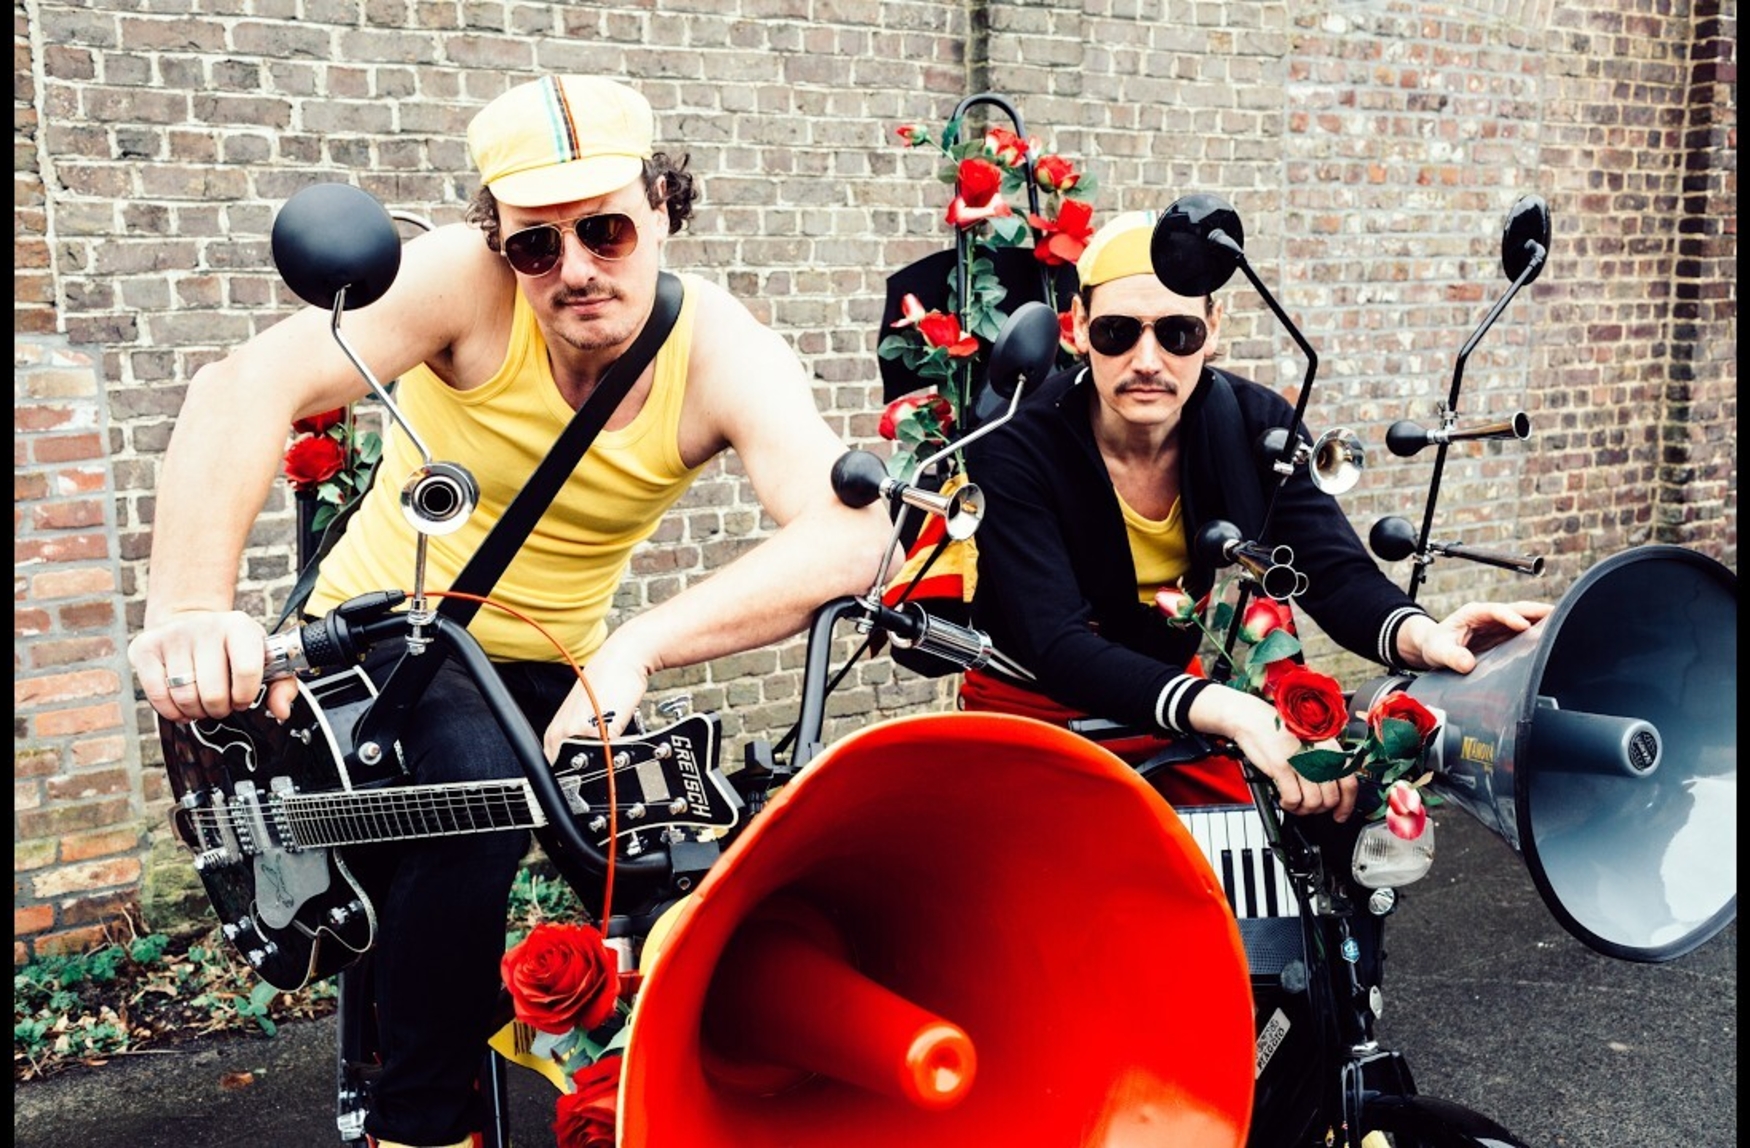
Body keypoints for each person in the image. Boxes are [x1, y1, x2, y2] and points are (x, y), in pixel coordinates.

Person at [126, 75, 890, 1148]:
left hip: (561, 660)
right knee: (478, 804)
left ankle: (673, 1091)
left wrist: (638, 647)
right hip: (390, 643)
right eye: (536, 244)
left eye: (607, 229)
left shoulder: (719, 348)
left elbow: (853, 533)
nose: (574, 269)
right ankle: (420, 1122)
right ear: (499, 243)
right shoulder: (461, 282)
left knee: (666, 857)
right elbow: (241, 387)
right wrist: (189, 608)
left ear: (662, 207)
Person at [960, 209, 1549, 820]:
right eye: (1117, 332)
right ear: (1079, 327)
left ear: (1213, 327)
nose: (1147, 360)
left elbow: (1331, 571)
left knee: (1263, 851)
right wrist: (1235, 711)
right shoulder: (1014, 443)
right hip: (1037, 707)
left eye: (1178, 332)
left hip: (1175, 703)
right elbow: (1056, 641)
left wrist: (1424, 637)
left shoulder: (1255, 421)